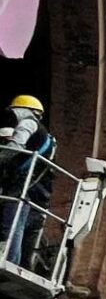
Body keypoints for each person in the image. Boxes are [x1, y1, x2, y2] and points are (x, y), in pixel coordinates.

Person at [0, 95, 55, 268]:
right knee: (18, 223)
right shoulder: (47, 137)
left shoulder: (28, 123)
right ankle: (16, 262)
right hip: (33, 191)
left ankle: (9, 260)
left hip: (22, 186)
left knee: (12, 223)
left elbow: (16, 147)